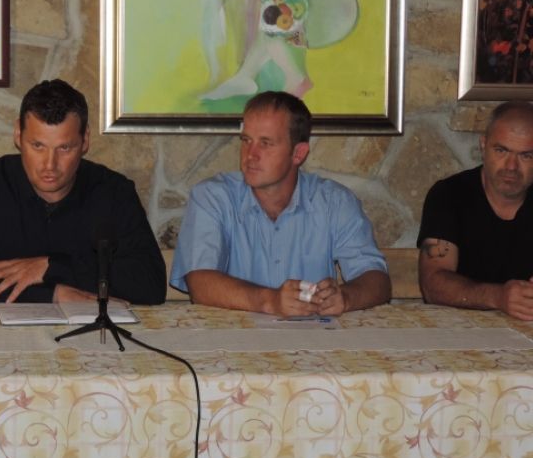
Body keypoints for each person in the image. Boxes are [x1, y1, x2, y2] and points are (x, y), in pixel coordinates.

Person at [0, 79, 166, 305]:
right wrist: (53, 295)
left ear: (85, 140)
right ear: (18, 135)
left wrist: (51, 267)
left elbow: (151, 283)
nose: (49, 165)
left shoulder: (114, 192)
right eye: (38, 146)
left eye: (64, 148)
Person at [170, 91, 390, 317]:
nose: (250, 155)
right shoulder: (212, 197)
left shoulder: (335, 202)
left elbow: (377, 279)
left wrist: (346, 297)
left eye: (265, 143)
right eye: (246, 140)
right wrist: (270, 301)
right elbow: (200, 284)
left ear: (298, 154)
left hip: (314, 335)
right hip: (235, 336)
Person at [418, 101, 533, 320]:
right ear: (483, 146)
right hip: (460, 328)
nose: (511, 166)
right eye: (501, 150)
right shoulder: (449, 194)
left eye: (526, 155)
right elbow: (432, 283)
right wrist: (499, 297)